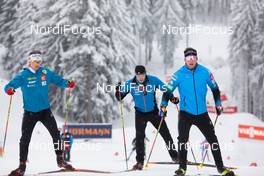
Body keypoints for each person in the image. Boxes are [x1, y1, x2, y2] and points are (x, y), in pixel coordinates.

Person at [160, 48, 235, 176]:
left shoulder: (205, 72)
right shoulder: (178, 74)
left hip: (202, 113)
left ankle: (221, 168)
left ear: (196, 59)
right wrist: (163, 106)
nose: (191, 60)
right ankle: (182, 168)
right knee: (182, 140)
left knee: (213, 140)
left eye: (193, 58)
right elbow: (168, 91)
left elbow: (215, 88)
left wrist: (218, 104)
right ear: (185, 60)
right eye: (188, 58)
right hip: (185, 113)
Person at [4, 51, 75, 176]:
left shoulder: (45, 72)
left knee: (56, 135)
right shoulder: (23, 75)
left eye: (40, 61)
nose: (38, 63)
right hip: (30, 112)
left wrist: (67, 83)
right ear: (30, 61)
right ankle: (21, 167)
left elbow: (58, 80)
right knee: (25, 139)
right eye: (36, 61)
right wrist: (9, 90)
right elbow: (9, 86)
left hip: (45, 111)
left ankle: (61, 160)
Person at [115, 65, 179, 170]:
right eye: (138, 75)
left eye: (142, 75)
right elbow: (120, 97)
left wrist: (172, 98)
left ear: (145, 74)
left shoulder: (153, 80)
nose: (140, 78)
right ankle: (139, 162)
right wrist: (117, 91)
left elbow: (166, 90)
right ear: (136, 75)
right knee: (139, 138)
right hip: (140, 113)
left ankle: (175, 157)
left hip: (153, 112)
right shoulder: (130, 84)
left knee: (166, 134)